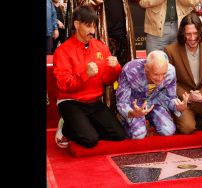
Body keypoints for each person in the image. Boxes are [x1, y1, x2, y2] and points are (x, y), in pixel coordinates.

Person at [53, 5, 126, 148]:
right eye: (88, 26)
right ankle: (66, 127)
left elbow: (107, 80)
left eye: (94, 26)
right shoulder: (62, 51)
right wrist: (84, 75)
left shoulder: (101, 47)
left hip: (93, 101)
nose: (92, 31)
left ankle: (82, 124)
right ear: (76, 24)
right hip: (70, 101)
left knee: (118, 135)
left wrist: (115, 67)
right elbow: (63, 85)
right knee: (90, 140)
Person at [116, 50, 189, 139]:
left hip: (155, 101)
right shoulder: (130, 70)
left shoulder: (171, 71)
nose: (160, 78)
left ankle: (149, 121)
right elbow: (122, 102)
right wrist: (132, 113)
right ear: (146, 67)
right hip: (135, 105)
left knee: (168, 131)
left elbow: (171, 97)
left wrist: (177, 107)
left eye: (164, 74)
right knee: (139, 134)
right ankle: (125, 121)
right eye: (156, 74)